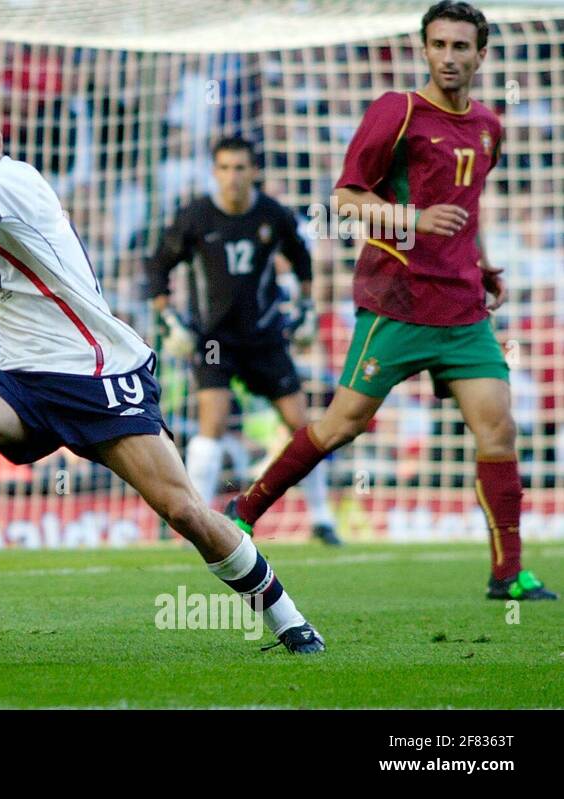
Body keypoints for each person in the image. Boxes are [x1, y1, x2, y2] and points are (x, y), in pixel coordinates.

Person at [0, 85, 325, 653]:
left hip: (98, 379)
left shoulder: (15, 181)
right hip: (23, 383)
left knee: (183, 510)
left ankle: (289, 619)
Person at [227, 1, 555, 600]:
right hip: (396, 303)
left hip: (462, 311)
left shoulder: (488, 125)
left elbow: (466, 208)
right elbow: (346, 199)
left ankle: (508, 575)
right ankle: (244, 510)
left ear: (482, 55)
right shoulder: (397, 112)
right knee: (340, 425)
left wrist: (480, 265)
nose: (449, 57)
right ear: (423, 49)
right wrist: (414, 218)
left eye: (461, 47)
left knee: (499, 431)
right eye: (439, 45)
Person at [148, 136, 341, 546]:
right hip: (213, 340)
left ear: (254, 172)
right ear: (214, 172)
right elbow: (158, 266)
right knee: (212, 422)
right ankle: (192, 521)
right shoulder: (195, 217)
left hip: (265, 336)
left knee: (301, 426)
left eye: (240, 168)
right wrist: (167, 319)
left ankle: (323, 520)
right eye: (224, 168)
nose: (232, 177)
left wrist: (306, 309)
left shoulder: (273, 215)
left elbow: (303, 261)